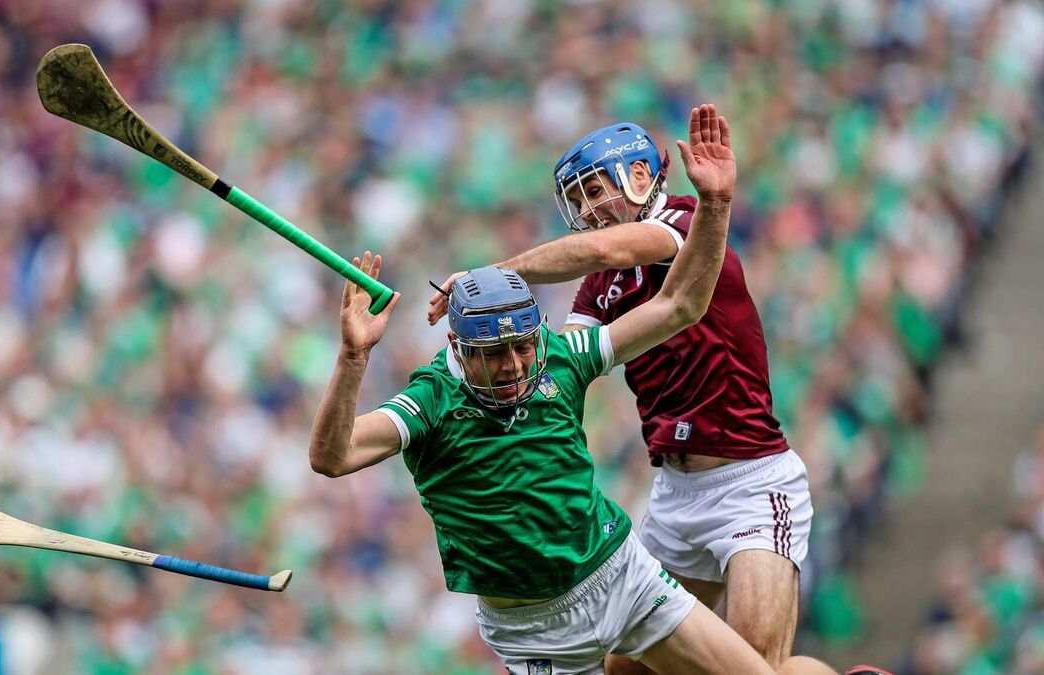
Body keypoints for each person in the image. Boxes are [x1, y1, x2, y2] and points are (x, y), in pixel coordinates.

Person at [309, 106, 836, 674]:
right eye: (577, 199)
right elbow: (558, 362)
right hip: (673, 490)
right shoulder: (586, 298)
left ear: (639, 176)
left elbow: (649, 282)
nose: (587, 210)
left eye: (595, 190)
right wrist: (456, 326)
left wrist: (495, 276)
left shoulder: (684, 222)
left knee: (761, 662)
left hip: (747, 476)